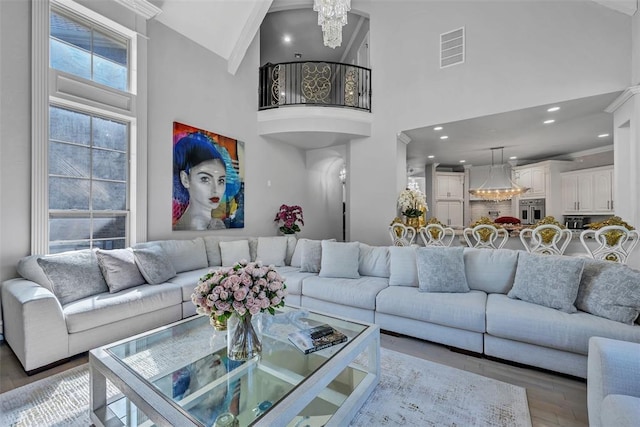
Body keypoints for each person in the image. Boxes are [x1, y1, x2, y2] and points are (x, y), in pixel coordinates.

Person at [173, 132, 240, 230]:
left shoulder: (219, 226)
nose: (215, 189)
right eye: (205, 179)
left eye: (221, 180)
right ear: (185, 179)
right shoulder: (180, 229)